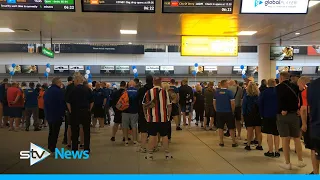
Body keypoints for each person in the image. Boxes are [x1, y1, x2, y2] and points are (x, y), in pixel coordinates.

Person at [276, 72, 306, 170]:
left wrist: (283, 109)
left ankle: (287, 163)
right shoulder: (295, 86)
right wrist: (298, 109)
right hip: (295, 115)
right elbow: (300, 98)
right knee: (296, 138)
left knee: (285, 139)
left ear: (281, 77)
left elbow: (279, 99)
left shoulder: (279, 87)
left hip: (283, 115)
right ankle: (300, 161)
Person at [143, 77, 172, 160]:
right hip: (163, 118)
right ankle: (167, 154)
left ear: (153, 83)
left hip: (152, 119)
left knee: (152, 136)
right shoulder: (165, 92)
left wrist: (145, 115)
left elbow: (144, 105)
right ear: (160, 83)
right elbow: (169, 106)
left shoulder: (148, 92)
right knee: (164, 136)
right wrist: (168, 116)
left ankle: (150, 155)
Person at [66, 74, 93, 153]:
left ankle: (74, 149)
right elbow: (92, 102)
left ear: (77, 81)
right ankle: (86, 149)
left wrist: (71, 111)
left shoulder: (72, 90)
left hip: (75, 112)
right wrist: (89, 110)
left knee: (75, 131)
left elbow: (68, 102)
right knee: (86, 131)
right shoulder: (88, 89)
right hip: (85, 112)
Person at [297, 76, 316, 174]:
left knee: (314, 148)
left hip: (311, 121)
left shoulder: (306, 93)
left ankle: (315, 172)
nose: (297, 86)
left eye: (299, 84)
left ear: (303, 83)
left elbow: (304, 109)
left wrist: (304, 124)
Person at [259, 79, 280, 157]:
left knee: (269, 133)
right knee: (276, 134)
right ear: (275, 83)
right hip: (277, 115)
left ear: (267, 84)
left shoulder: (264, 92)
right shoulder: (278, 92)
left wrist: (261, 114)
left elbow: (260, 104)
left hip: (267, 115)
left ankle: (270, 151)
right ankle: (277, 151)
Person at [214, 80, 237, 147]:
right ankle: (233, 142)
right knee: (231, 128)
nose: (228, 85)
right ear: (224, 84)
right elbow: (232, 103)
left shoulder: (216, 92)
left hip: (219, 112)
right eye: (227, 83)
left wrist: (216, 110)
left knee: (220, 127)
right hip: (228, 112)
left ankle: (221, 142)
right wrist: (232, 111)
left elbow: (214, 103)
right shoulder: (229, 92)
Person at [44, 77, 65, 153]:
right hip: (57, 114)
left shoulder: (47, 91)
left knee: (51, 131)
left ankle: (50, 145)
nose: (61, 84)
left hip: (49, 114)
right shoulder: (59, 91)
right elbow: (61, 103)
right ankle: (53, 147)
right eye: (60, 82)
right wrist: (62, 114)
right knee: (55, 132)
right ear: (57, 83)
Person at [242, 82, 263, 151]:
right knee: (258, 132)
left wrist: (243, 116)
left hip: (249, 115)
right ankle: (259, 145)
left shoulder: (246, 97)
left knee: (249, 131)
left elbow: (244, 107)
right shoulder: (259, 97)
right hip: (258, 115)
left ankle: (248, 145)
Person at [137, 75, 153, 153]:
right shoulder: (156, 90)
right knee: (154, 132)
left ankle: (143, 148)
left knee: (143, 131)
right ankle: (153, 147)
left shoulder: (141, 90)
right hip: (154, 113)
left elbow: (138, 101)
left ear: (146, 81)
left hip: (143, 112)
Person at [308, 77, 320, 174]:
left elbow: (309, 105)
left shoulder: (312, 85)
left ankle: (316, 174)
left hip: (316, 126)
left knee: (315, 150)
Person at [122, 80, 139, 146]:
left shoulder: (125, 92)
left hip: (125, 110)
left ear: (128, 85)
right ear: (135, 85)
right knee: (134, 125)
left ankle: (126, 140)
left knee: (125, 126)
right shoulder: (137, 91)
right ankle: (135, 140)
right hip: (134, 111)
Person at [63, 76, 75, 146]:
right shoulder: (71, 87)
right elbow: (67, 100)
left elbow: (65, 99)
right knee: (71, 126)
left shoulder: (66, 87)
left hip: (67, 109)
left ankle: (67, 141)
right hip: (70, 109)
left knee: (68, 125)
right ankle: (70, 140)